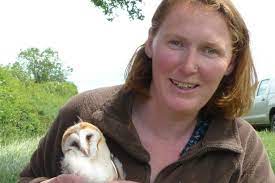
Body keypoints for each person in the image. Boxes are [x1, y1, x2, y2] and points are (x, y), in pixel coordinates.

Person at [19, 0, 275, 182]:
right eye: (176, 43)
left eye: (210, 50)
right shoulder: (83, 114)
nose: (188, 66)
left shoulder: (243, 149)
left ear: (230, 63)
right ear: (152, 42)